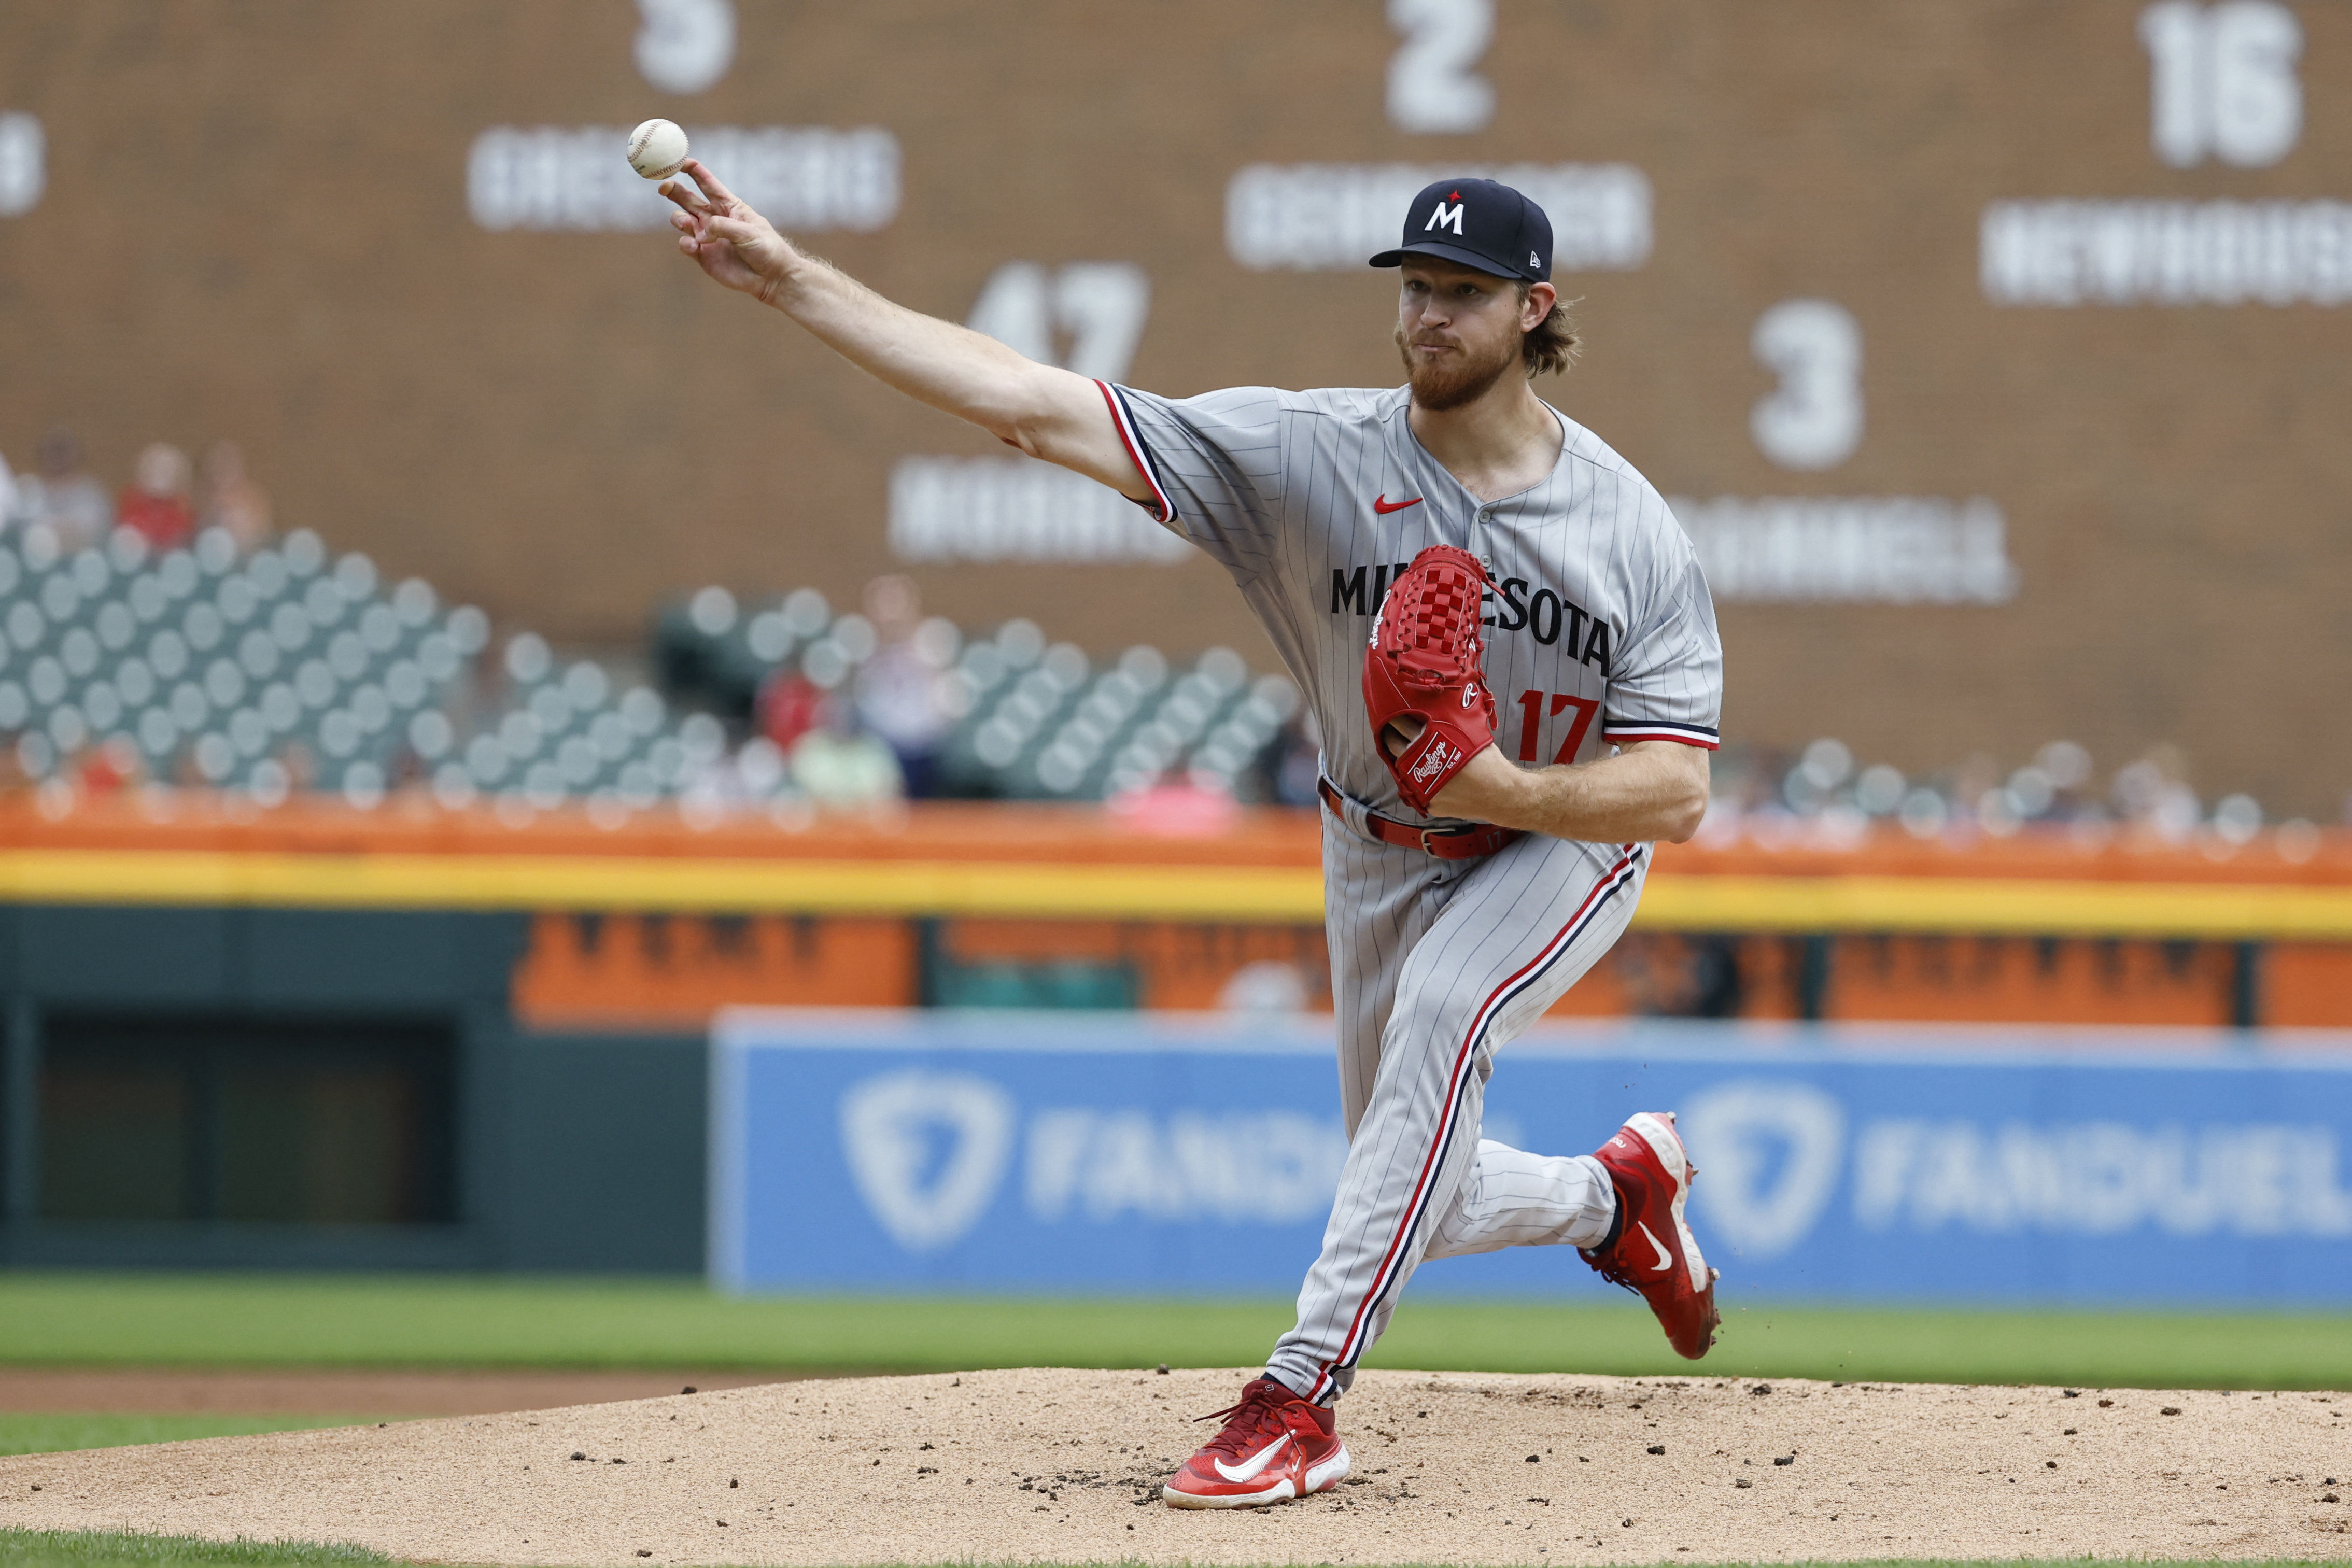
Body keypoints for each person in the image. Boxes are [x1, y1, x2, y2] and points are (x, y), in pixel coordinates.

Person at [660, 162, 1724, 1508]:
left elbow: (1675, 794)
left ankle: (1297, 1403)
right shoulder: (1307, 457)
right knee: (1416, 1188)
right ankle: (1611, 1199)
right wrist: (794, 280)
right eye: (1414, 288)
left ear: (1534, 310)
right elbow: (1031, 405)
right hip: (1376, 845)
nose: (1427, 317)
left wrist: (1496, 786)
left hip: (1559, 844)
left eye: (1462, 293)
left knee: (1447, 1019)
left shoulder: (1630, 530)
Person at [28, 427, 112, 552]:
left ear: (77, 455)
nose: (58, 456)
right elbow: (24, 531)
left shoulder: (92, 493)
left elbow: (94, 533)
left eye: (63, 450)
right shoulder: (30, 489)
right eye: (53, 450)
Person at [118, 442, 195, 550]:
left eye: (166, 470)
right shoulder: (132, 501)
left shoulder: (182, 507)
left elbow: (182, 534)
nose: (160, 476)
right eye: (155, 468)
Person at [198, 441, 272, 552]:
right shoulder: (203, 498)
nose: (223, 470)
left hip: (249, 555)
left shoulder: (253, 496)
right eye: (217, 465)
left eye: (228, 464)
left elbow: (263, 532)